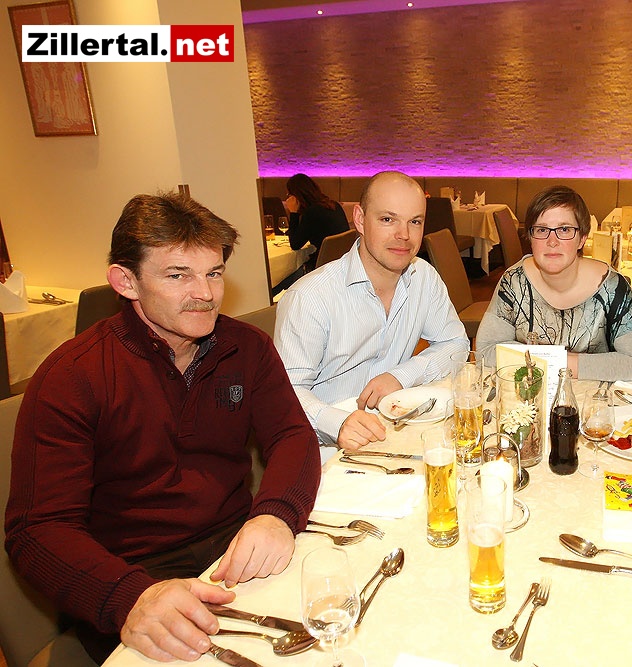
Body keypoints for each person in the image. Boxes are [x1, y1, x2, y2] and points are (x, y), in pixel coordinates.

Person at [4, 193, 321, 664]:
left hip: (234, 550)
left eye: (214, 273)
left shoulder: (247, 348)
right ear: (126, 281)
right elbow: (36, 530)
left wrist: (275, 514)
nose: (206, 293)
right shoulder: (72, 376)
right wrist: (129, 596)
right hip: (133, 577)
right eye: (178, 275)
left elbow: (292, 435)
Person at [274, 170, 469, 450]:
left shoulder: (423, 278)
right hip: (325, 449)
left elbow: (456, 343)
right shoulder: (310, 298)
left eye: (414, 222)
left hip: (396, 433)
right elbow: (285, 393)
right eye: (388, 219)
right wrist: (337, 423)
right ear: (360, 219)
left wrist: (402, 375)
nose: (404, 235)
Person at [476, 185, 632, 380]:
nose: (552, 241)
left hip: (596, 397)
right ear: (531, 238)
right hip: (529, 396)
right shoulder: (514, 281)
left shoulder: (612, 287)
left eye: (565, 229)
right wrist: (566, 361)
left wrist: (554, 362)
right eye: (542, 230)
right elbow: (486, 352)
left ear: (582, 239)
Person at [283, 173, 350, 269]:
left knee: (292, 272)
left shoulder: (312, 212)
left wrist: (293, 213)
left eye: (289, 195)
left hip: (324, 267)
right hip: (343, 262)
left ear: (296, 196)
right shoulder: (334, 205)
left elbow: (295, 244)